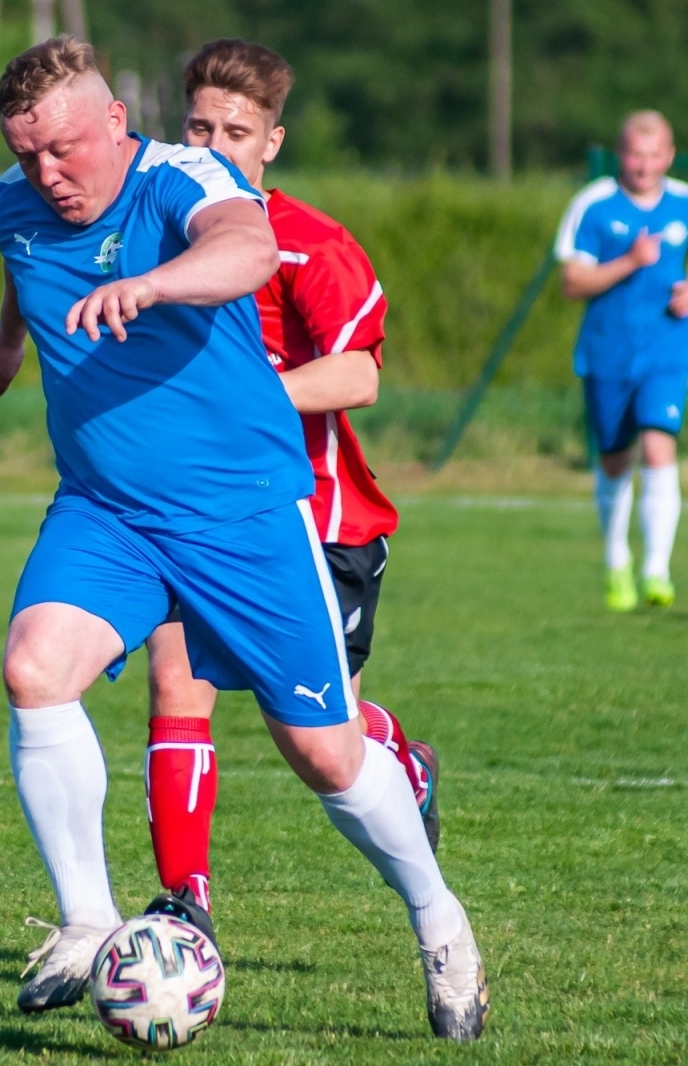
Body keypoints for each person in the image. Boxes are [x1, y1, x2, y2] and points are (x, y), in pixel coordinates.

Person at [0, 37, 487, 1042]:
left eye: (66, 149)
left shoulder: (180, 177)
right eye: (28, 154)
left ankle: (438, 918)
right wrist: (1, 346)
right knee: (34, 667)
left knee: (325, 751)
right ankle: (85, 920)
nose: (48, 175)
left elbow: (246, 247)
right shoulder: (12, 203)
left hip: (241, 512)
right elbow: (22, 277)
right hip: (106, 510)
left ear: (116, 119)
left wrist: (154, 285)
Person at [137, 39, 438, 939]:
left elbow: (358, 377)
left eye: (237, 131)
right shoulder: (155, 234)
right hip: (192, 515)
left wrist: (245, 400)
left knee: (313, 737)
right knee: (174, 680)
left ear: (272, 142)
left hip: (319, 520)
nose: (215, 144)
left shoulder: (307, 244)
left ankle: (399, 759)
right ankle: (186, 898)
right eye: (198, 126)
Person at [555, 110, 688, 611]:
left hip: (669, 348)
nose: (644, 166)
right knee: (614, 460)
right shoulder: (595, 206)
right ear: (620, 154)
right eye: (634, 155)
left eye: (654, 156)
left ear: (668, 155)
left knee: (657, 445)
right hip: (608, 351)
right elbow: (572, 282)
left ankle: (657, 570)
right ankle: (615, 560)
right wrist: (630, 261)